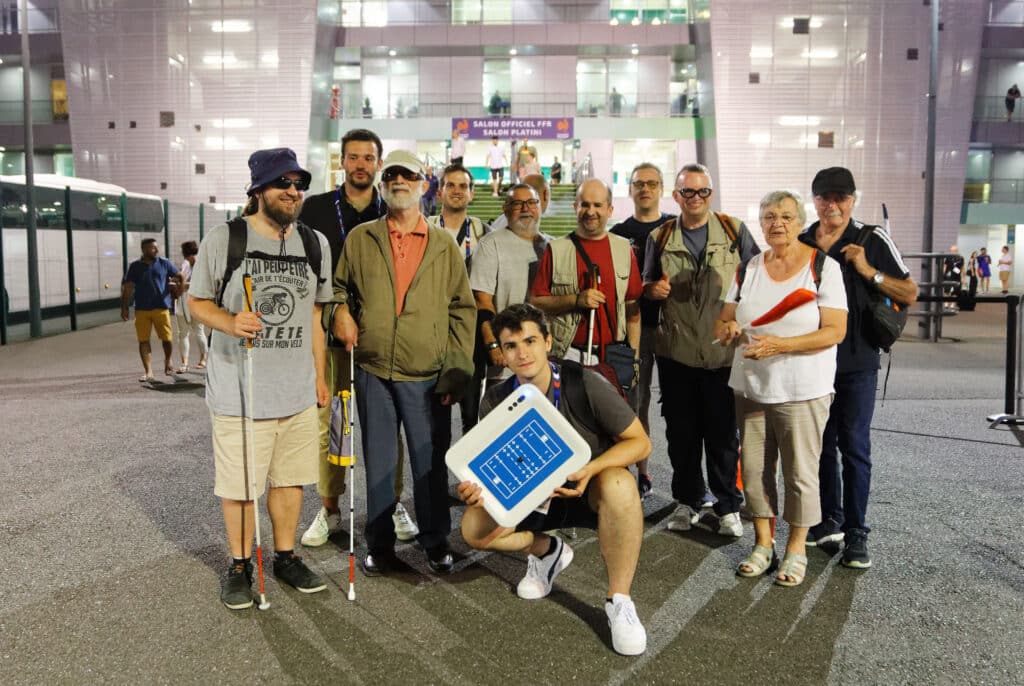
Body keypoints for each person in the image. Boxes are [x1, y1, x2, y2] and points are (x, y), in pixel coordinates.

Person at [458, 303, 651, 656]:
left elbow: (640, 442)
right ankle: (548, 552)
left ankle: (619, 601)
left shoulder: (583, 382)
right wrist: (475, 489)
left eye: (530, 341)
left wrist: (591, 469)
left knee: (620, 485)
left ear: (548, 342)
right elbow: (487, 467)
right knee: (473, 528)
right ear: (501, 352)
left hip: (587, 489)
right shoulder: (496, 399)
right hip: (534, 497)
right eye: (511, 346)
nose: (522, 352)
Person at [188, 147, 333, 609]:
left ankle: (285, 556)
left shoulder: (314, 243)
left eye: (298, 184)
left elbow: (314, 314)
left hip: (295, 389)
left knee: (291, 482)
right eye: (282, 184)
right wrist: (230, 322)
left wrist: (320, 376)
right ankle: (239, 564)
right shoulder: (224, 238)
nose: (293, 192)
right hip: (240, 390)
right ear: (258, 191)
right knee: (241, 486)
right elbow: (197, 302)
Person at [331, 149, 476, 576]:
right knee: (378, 461)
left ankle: (435, 541)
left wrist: (455, 370)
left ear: (422, 184)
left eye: (407, 175)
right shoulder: (360, 238)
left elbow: (462, 310)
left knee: (429, 463)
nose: (399, 180)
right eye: (391, 174)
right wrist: (339, 312)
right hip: (373, 369)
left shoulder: (443, 245)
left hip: (427, 374)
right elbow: (339, 290)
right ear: (382, 184)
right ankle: (379, 544)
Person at [715, 190, 848, 586]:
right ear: (760, 222)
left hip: (803, 388)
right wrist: (730, 329)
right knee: (754, 471)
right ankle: (763, 543)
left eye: (787, 217)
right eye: (770, 216)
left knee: (800, 473)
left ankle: (796, 549)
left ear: (799, 221)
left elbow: (835, 330)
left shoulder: (823, 267)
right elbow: (723, 322)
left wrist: (782, 345)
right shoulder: (748, 268)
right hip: (752, 386)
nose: (778, 223)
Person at [296, 128, 417, 549]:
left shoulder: (396, 210)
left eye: (369, 157)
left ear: (378, 164)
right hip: (331, 337)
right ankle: (329, 508)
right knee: (332, 423)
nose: (361, 164)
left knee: (388, 427)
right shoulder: (314, 210)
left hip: (384, 339)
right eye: (354, 157)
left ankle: (392, 503)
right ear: (342, 162)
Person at [799, 166, 917, 569]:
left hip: (857, 363)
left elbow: (910, 291)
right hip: (811, 361)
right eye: (824, 196)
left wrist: (870, 271)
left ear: (853, 199)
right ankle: (827, 519)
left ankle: (857, 533)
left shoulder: (871, 238)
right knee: (819, 448)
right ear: (813, 199)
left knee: (854, 448)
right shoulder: (802, 240)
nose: (833, 204)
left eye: (841, 197)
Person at [643, 163, 759, 537]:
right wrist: (652, 291)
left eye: (702, 192)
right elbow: (646, 285)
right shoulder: (659, 238)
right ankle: (688, 500)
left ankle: (727, 505)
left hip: (723, 354)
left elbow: (756, 278)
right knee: (682, 434)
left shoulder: (733, 231)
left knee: (723, 435)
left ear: (711, 194)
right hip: (676, 354)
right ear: (676, 197)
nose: (695, 198)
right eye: (688, 192)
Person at [610, 163, 674, 499]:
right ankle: (643, 473)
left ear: (661, 187)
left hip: (674, 330)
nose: (645, 189)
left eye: (651, 183)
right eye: (638, 183)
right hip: (633, 330)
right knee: (635, 404)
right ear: (630, 189)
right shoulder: (619, 232)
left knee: (678, 407)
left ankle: (685, 484)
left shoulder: (674, 228)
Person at [529, 178, 642, 368]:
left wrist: (634, 359)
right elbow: (537, 301)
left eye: (598, 205)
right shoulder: (556, 250)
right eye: (585, 205)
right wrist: (575, 300)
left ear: (610, 210)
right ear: (575, 207)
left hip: (614, 356)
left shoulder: (624, 249)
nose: (591, 212)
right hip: (568, 355)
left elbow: (633, 312)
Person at [472, 183, 554, 401]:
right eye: (517, 203)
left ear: (540, 206)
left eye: (531, 202)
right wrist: (493, 346)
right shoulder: (491, 244)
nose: (525, 208)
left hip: (544, 359)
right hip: (508, 360)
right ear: (506, 209)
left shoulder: (552, 247)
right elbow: (482, 301)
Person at [428, 164, 491, 433]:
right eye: (450, 185)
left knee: (471, 410)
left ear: (472, 194)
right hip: (432, 326)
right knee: (435, 411)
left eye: (463, 186)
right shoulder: (426, 228)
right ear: (439, 192)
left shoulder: (484, 232)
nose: (457, 191)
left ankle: (471, 473)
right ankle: (437, 474)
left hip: (471, 328)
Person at [121, 238, 181, 382]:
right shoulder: (135, 266)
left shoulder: (164, 263)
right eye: (152, 248)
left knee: (167, 339)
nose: (156, 250)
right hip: (142, 310)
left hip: (161, 308)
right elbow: (128, 287)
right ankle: (148, 371)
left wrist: (179, 290)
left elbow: (179, 276)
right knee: (143, 340)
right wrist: (124, 307)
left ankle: (168, 361)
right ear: (144, 249)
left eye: (156, 247)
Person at [172, 240, 207, 372]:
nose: (186, 258)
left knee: (198, 331)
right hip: (183, 302)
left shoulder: (202, 265)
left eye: (186, 255)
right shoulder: (186, 264)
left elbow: (199, 285)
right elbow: (182, 281)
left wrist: (181, 285)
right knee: (183, 334)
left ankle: (203, 359)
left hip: (196, 302)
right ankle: (184, 363)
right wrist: (179, 282)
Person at [942, 245, 964, 311]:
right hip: (948, 276)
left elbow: (962, 268)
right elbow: (945, 266)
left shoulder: (961, 258)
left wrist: (963, 278)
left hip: (957, 276)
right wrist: (942, 275)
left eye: (955, 250)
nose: (953, 252)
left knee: (956, 291)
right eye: (952, 250)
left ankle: (952, 305)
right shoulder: (948, 258)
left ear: (957, 251)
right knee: (946, 291)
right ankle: (946, 304)